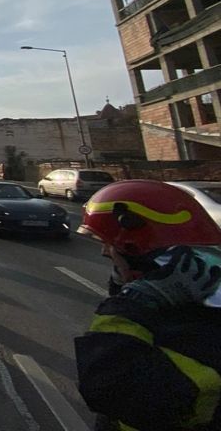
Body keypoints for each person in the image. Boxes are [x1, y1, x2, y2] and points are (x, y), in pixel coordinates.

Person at [74, 180, 221, 431]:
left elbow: (109, 387)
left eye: (111, 245)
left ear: (141, 253)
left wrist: (131, 302)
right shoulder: (185, 302)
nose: (104, 252)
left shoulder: (199, 332)